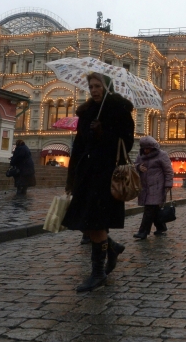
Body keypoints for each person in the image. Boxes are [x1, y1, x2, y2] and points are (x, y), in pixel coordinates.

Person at [62, 73, 134, 292]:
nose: (93, 90)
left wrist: (104, 133)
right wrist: (71, 176)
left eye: (97, 86)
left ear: (107, 87)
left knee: (95, 222)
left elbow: (127, 143)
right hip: (86, 174)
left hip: (106, 175)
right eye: (91, 86)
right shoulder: (86, 112)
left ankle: (98, 273)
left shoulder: (119, 110)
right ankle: (111, 248)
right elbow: (78, 147)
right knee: (83, 221)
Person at [133, 136, 173, 240]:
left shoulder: (162, 155)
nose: (146, 151)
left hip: (157, 187)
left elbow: (168, 171)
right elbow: (134, 165)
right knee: (154, 208)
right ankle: (161, 227)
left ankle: (143, 232)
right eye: (144, 148)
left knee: (149, 209)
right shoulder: (140, 155)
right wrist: (138, 167)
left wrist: (168, 184)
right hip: (144, 186)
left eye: (148, 148)